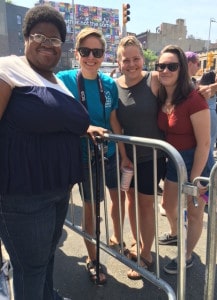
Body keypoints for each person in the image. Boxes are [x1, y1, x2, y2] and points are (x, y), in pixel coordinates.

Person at [0, 5, 90, 300]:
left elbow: (60, 120)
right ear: (25, 37)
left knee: (47, 260)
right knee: (31, 269)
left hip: (58, 191)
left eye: (55, 40)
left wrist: (87, 128)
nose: (47, 44)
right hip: (23, 196)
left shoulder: (56, 82)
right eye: (40, 35)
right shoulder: (8, 69)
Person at [57, 27, 127, 285]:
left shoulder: (109, 84)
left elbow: (113, 121)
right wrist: (83, 128)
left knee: (106, 203)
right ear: (77, 53)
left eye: (97, 52)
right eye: (85, 51)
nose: (91, 57)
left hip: (107, 155)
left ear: (103, 55)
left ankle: (113, 242)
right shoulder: (62, 79)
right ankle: (92, 259)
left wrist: (124, 155)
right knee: (88, 209)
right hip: (79, 158)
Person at [113, 35, 167, 280]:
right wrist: (123, 156)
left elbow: (181, 95)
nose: (132, 64)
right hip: (127, 159)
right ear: (119, 61)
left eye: (136, 59)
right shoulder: (114, 85)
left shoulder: (154, 80)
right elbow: (116, 124)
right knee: (130, 201)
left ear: (143, 59)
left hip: (151, 158)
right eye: (126, 60)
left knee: (146, 205)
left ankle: (146, 254)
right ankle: (137, 242)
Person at [156, 44, 213, 274]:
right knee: (168, 205)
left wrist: (195, 179)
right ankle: (176, 234)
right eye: (161, 66)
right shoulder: (160, 92)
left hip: (197, 161)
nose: (165, 70)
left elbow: (205, 143)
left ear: (182, 69)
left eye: (172, 66)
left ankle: (187, 255)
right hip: (174, 160)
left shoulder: (195, 99)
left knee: (195, 211)